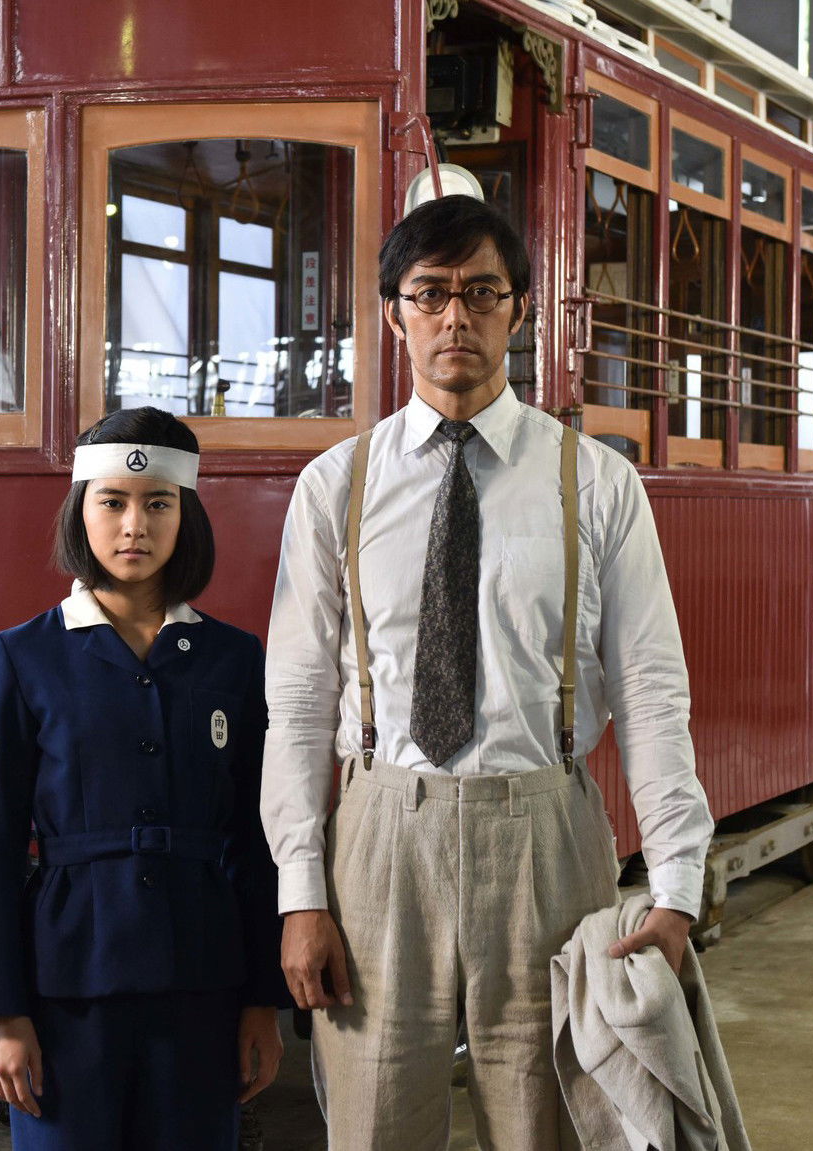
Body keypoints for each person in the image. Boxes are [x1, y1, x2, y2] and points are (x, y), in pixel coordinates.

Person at [261, 194, 716, 1149]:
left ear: (519, 310)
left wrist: (678, 885)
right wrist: (301, 892)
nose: (454, 317)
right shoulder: (336, 485)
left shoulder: (594, 483)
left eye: (481, 291)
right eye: (430, 294)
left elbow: (649, 689)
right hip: (382, 833)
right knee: (377, 1127)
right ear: (395, 312)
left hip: (546, 837)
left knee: (546, 1125)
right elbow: (299, 702)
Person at [0, 407, 289, 1149]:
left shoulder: (234, 660)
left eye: (158, 504)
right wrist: (0, 1010)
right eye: (111, 502)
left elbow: (254, 837)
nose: (133, 525)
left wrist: (261, 1001)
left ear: (187, 515)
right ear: (82, 512)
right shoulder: (21, 657)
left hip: (202, 982)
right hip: (65, 986)